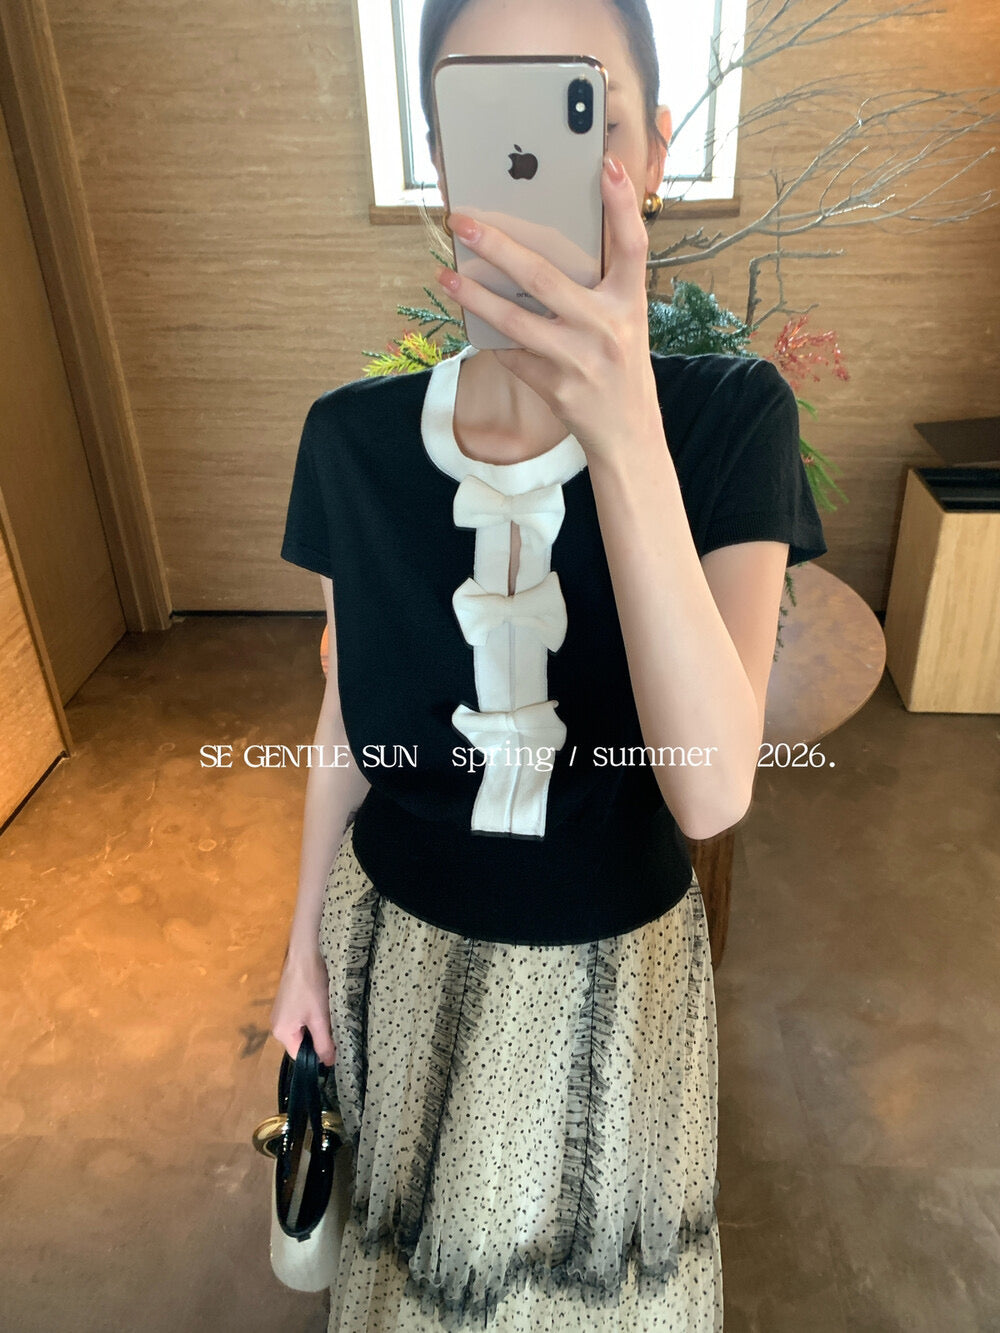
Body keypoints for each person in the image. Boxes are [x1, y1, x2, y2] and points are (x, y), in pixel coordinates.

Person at [270, 0, 828, 1328]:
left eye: (586, 117)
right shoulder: (351, 440)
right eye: (488, 123)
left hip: (610, 993)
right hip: (393, 957)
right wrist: (297, 955)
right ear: (440, 161)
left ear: (655, 150)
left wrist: (622, 425)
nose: (534, 168)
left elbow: (709, 789)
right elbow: (346, 718)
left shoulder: (731, 418)